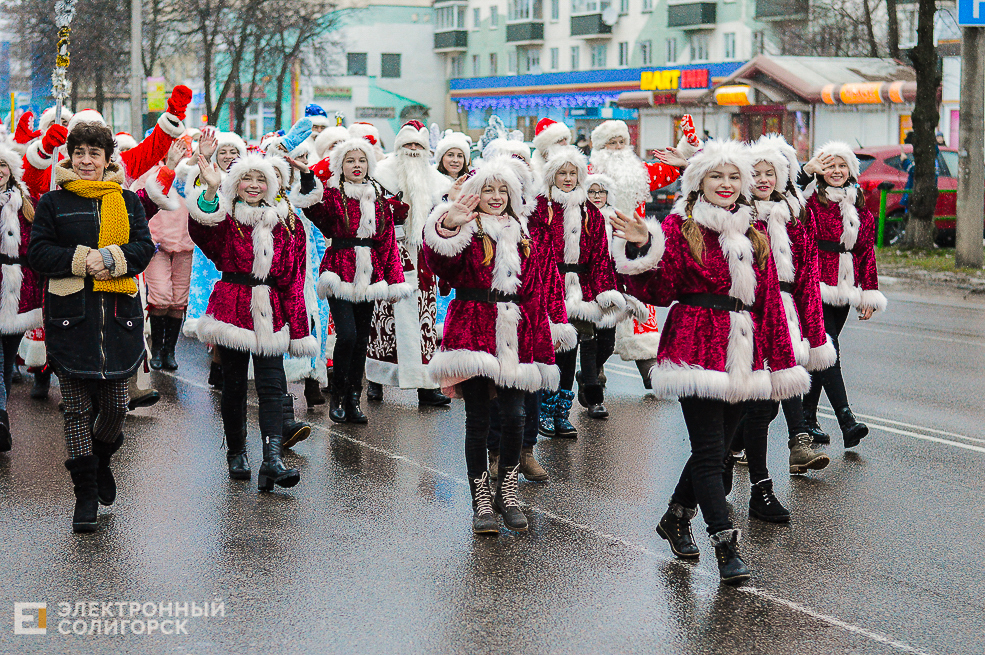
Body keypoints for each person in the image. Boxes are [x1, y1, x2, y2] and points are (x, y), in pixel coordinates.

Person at [612, 140, 809, 584]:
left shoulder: (754, 232)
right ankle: (726, 546)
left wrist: (779, 364)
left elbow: (770, 306)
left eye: (733, 176)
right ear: (699, 181)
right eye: (716, 176)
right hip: (694, 347)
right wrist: (648, 245)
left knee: (718, 451)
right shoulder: (681, 229)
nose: (726, 184)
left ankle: (675, 518)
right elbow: (660, 291)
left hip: (743, 353)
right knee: (708, 454)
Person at [424, 156, 572, 533]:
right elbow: (441, 269)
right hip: (473, 329)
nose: (495, 196)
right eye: (487, 189)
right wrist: (447, 226)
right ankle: (482, 504)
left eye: (502, 189)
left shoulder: (526, 233)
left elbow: (537, 290)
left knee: (515, 417)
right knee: (478, 420)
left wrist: (542, 345)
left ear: (513, 193)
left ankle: (507, 492)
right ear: (475, 193)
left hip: (518, 334)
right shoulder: (467, 230)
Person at [28, 122, 155, 532]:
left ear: (107, 159)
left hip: (120, 317)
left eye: (94, 154)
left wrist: (112, 258)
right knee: (78, 410)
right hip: (72, 317)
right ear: (70, 156)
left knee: (118, 405)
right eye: (79, 153)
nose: (86, 161)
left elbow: (142, 248)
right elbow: (39, 253)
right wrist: (85, 260)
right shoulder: (52, 202)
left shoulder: (128, 200)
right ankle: (85, 495)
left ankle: (98, 461)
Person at [187, 152, 316, 492]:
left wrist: (298, 329)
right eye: (247, 179)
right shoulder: (226, 218)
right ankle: (236, 452)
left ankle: (272, 459)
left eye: (262, 180)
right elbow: (201, 230)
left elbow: (294, 278)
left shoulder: (288, 223)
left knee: (273, 386)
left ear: (271, 186)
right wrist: (211, 191)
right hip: (232, 307)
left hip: (271, 311)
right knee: (234, 386)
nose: (254, 186)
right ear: (237, 184)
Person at [724, 136, 836, 523]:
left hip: (784, 316)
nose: (763, 178)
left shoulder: (794, 217)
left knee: (764, 409)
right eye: (755, 172)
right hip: (746, 318)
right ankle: (731, 469)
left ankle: (757, 487)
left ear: (781, 175)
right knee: (743, 403)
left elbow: (808, 276)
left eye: (770, 172)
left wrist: (814, 334)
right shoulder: (736, 215)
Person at [303, 137, 411, 423]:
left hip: (370, 275)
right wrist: (305, 178)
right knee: (347, 335)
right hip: (339, 271)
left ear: (369, 164)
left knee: (362, 339)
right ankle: (337, 395)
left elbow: (387, 243)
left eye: (361, 160)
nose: (356, 165)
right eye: (350, 160)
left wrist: (394, 280)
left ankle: (354, 398)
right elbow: (314, 212)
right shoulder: (332, 195)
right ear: (341, 165)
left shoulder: (378, 199)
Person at [530, 146, 624, 437]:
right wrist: (546, 287)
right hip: (548, 286)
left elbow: (599, 255)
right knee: (549, 349)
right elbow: (537, 251)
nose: (568, 178)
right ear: (552, 176)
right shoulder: (540, 208)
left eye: (573, 173)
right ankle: (543, 408)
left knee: (571, 352)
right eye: (562, 173)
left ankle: (562, 412)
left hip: (580, 292)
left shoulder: (591, 213)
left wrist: (602, 291)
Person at [800, 142, 887, 448]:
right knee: (827, 349)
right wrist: (804, 173)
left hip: (843, 287)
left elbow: (865, 252)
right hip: (813, 284)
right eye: (830, 166)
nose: (836, 172)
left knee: (820, 353)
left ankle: (807, 420)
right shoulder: (809, 199)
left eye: (842, 166)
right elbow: (786, 200)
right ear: (821, 170)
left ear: (851, 170)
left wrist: (868, 293)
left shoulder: (858, 203)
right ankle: (846, 420)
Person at [367, 120, 452, 406]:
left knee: (424, 321)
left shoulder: (439, 183)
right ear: (399, 148)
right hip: (388, 254)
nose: (414, 150)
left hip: (424, 258)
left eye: (418, 145)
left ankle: (426, 386)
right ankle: (376, 380)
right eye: (408, 145)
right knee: (382, 320)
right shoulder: (380, 176)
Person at [0, 142, 41, 452]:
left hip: (19, 293)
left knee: (6, 362)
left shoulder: (26, 204)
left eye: (3, 166)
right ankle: (1, 420)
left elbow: (36, 248)